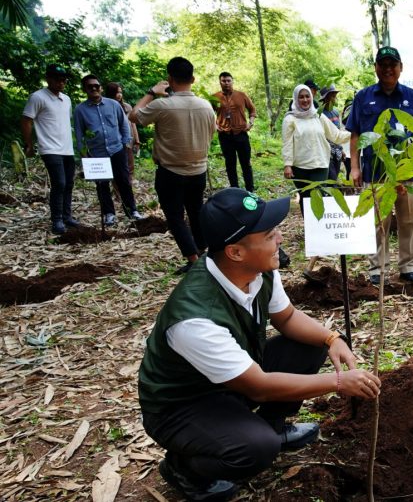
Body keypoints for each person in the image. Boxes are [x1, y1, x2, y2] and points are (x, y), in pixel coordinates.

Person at [138, 188, 381, 502]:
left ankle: (272, 424)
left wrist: (331, 338)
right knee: (256, 448)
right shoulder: (195, 320)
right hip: (184, 405)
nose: (279, 238)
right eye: (269, 234)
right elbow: (260, 387)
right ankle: (184, 468)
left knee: (311, 343)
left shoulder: (258, 271)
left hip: (231, 379)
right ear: (236, 252)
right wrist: (337, 382)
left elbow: (288, 317)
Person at [348, 46, 413, 288]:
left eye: (392, 65)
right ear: (375, 68)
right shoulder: (363, 97)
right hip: (375, 172)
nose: (387, 69)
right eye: (382, 64)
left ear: (400, 67)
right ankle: (377, 268)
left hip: (406, 172)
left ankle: (409, 267)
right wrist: (354, 167)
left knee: (409, 221)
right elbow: (355, 135)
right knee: (377, 222)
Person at [131, 57, 217, 274]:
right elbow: (212, 131)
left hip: (171, 171)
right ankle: (202, 251)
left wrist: (152, 92)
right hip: (199, 169)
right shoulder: (206, 106)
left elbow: (133, 115)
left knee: (175, 216)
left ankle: (193, 258)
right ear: (193, 79)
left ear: (169, 79)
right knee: (196, 211)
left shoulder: (162, 105)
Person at [72, 74, 143, 225]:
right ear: (85, 89)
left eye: (96, 86)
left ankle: (132, 211)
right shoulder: (80, 110)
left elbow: (124, 125)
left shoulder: (113, 104)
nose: (93, 88)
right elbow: (79, 134)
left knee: (123, 181)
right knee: (102, 184)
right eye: (90, 86)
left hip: (117, 149)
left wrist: (125, 143)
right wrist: (84, 154)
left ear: (101, 88)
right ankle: (109, 214)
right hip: (96, 153)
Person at [21, 64, 76, 234]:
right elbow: (26, 120)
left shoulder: (66, 99)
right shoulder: (38, 97)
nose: (61, 83)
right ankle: (57, 220)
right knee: (59, 182)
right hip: (49, 148)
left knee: (68, 183)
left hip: (67, 148)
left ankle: (67, 216)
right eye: (57, 79)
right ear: (48, 79)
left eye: (63, 80)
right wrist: (29, 144)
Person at [282, 84, 351, 211]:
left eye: (307, 96)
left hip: (320, 165)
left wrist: (355, 134)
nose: (305, 100)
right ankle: (310, 229)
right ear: (296, 99)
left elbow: (336, 135)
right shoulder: (290, 119)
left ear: (311, 97)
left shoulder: (318, 116)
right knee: (305, 198)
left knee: (318, 197)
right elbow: (287, 143)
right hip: (300, 167)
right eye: (301, 97)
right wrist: (287, 164)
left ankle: (319, 228)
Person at [212, 72, 257, 192]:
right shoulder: (215, 97)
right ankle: (234, 190)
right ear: (220, 82)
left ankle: (250, 190)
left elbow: (252, 109)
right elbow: (208, 114)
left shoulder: (241, 95)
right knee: (230, 164)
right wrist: (215, 125)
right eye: (223, 81)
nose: (226, 83)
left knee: (245, 164)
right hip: (225, 135)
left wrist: (250, 122)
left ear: (232, 81)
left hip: (241, 134)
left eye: (228, 80)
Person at [105, 82, 140, 177]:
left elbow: (132, 124)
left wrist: (137, 140)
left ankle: (128, 189)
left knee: (130, 167)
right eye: (116, 92)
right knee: (116, 170)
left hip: (128, 141)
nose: (119, 95)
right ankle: (117, 191)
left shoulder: (127, 107)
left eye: (120, 92)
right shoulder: (105, 107)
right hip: (114, 143)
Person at [319, 85, 348, 181]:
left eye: (335, 96)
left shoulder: (335, 112)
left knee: (334, 176)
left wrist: (341, 149)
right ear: (326, 97)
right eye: (332, 96)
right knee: (331, 180)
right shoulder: (320, 114)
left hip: (337, 152)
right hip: (327, 152)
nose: (334, 98)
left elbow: (337, 133)